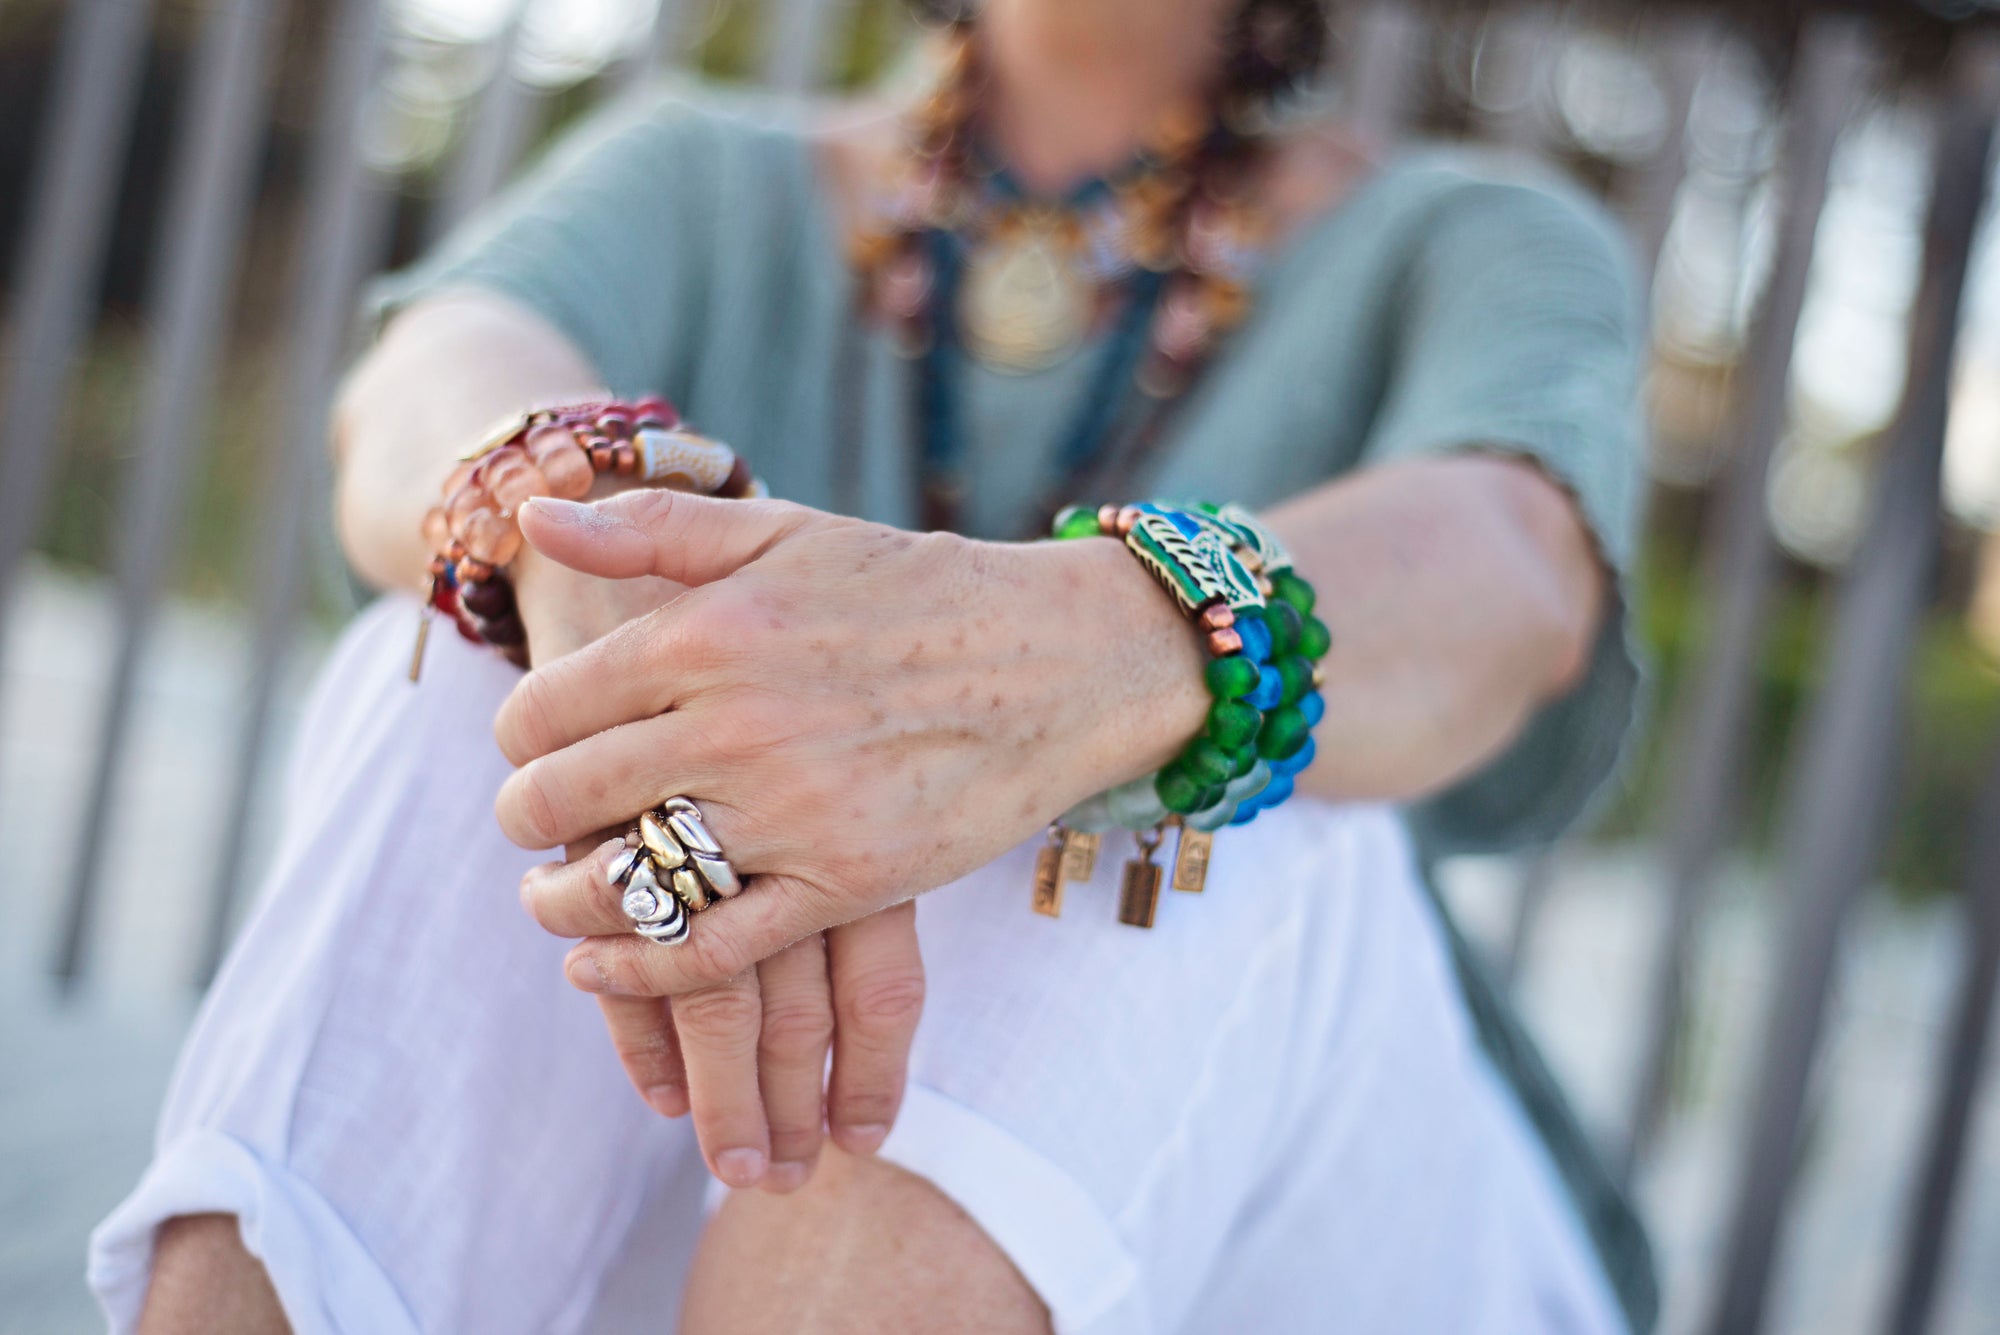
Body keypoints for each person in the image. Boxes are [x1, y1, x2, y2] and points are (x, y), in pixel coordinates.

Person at [91, 0, 1658, 1330]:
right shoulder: (706, 174)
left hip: (1315, 1221)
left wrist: (1072, 672)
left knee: (1229, 780)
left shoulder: (1478, 238)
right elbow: (428, 377)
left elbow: (1512, 568)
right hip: (725, 1155)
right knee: (467, 649)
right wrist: (596, 564)